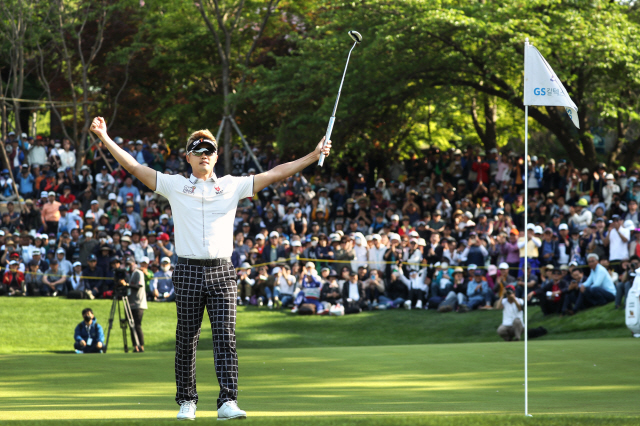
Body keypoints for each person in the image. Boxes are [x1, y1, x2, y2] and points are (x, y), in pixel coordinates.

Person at [90, 115, 332, 421]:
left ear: (216, 156)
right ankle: (187, 401)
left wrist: (313, 155)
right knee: (186, 338)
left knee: (225, 337)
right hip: (188, 270)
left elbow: (275, 173)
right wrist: (104, 137)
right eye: (198, 150)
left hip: (222, 271)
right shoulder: (175, 185)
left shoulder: (232, 186)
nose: (204, 154)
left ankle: (227, 401)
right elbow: (136, 168)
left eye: (209, 150)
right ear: (188, 157)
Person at [122, 256, 147, 352]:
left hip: (138, 303)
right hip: (130, 302)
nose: (128, 266)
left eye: (130, 264)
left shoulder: (138, 273)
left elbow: (138, 286)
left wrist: (127, 285)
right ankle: (135, 346)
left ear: (134, 264)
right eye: (127, 264)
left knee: (137, 325)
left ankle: (141, 345)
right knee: (131, 326)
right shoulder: (129, 275)